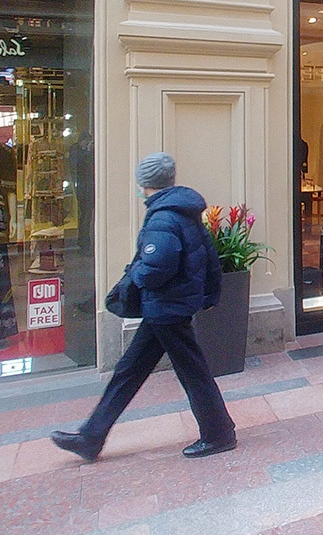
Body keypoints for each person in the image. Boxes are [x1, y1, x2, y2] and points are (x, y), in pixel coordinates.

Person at [50, 152, 236, 462]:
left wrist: (134, 272)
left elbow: (156, 267)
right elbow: (208, 255)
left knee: (190, 372)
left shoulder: (163, 216)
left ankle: (219, 433)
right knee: (131, 370)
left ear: (145, 184)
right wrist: (208, 294)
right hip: (169, 307)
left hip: (166, 308)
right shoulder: (183, 210)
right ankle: (91, 437)